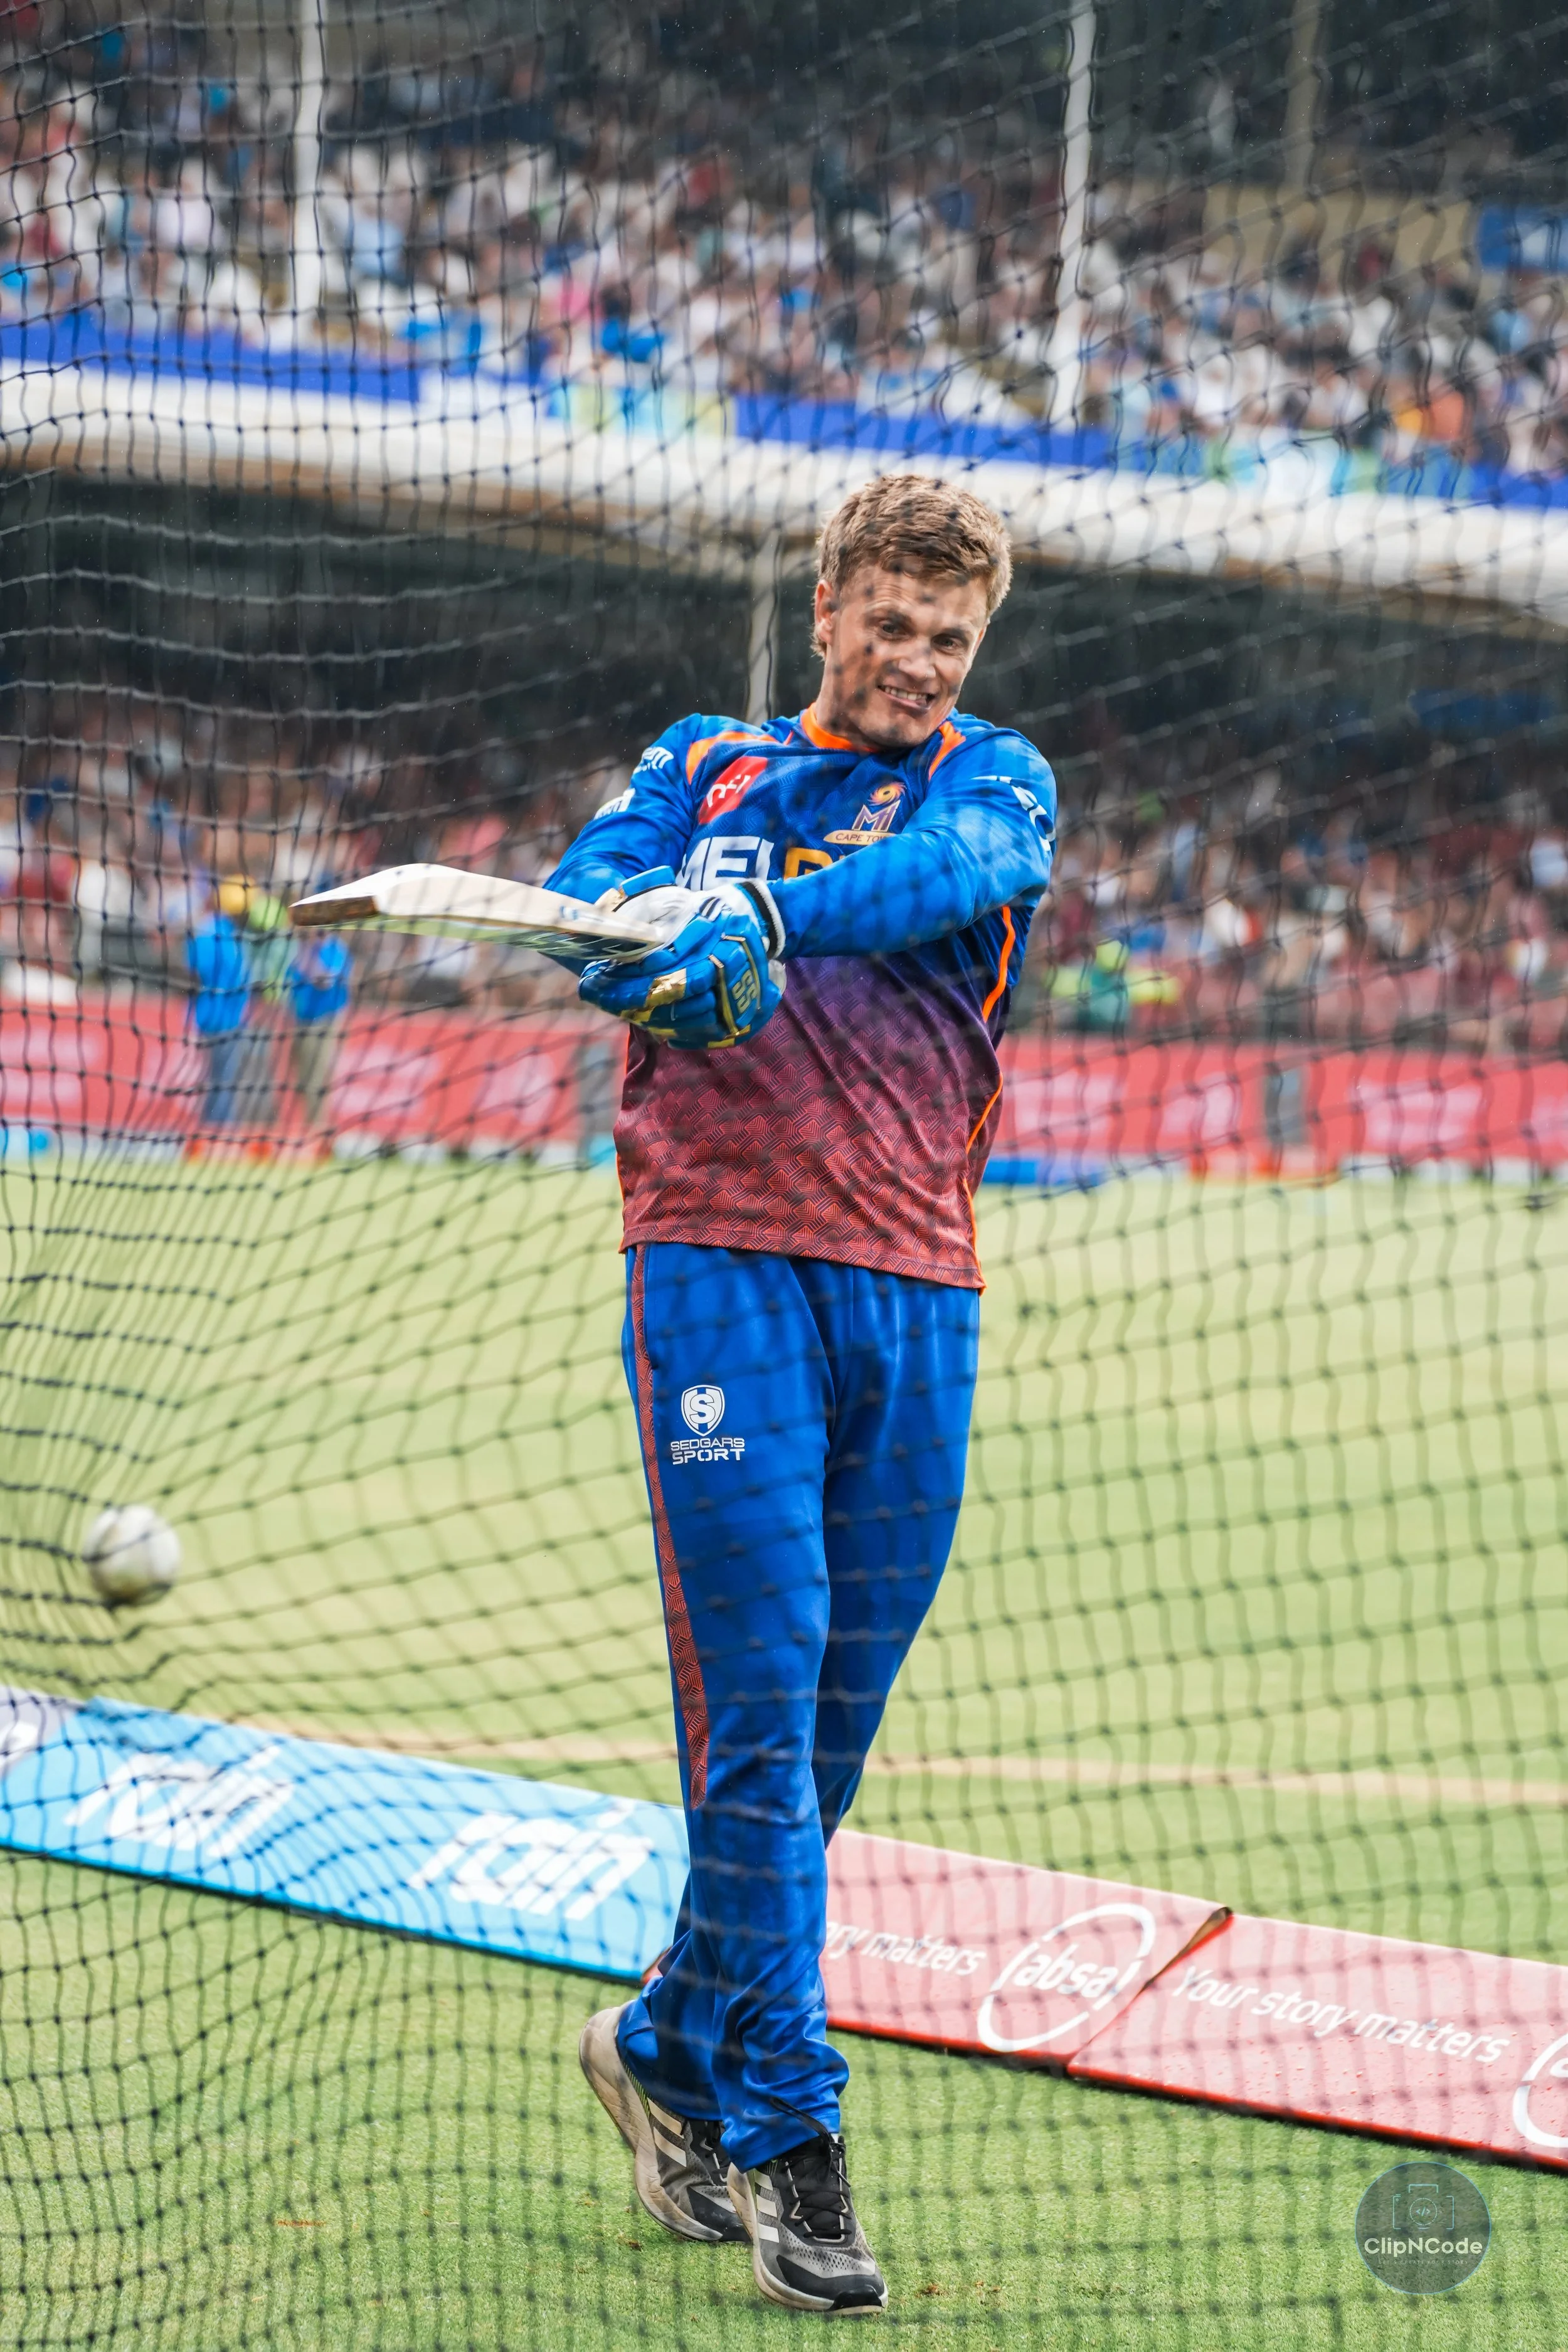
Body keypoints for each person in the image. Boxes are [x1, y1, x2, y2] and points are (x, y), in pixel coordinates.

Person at [546, 474, 1056, 2316]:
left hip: (920, 1292)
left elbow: (963, 875)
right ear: (826, 603)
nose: (915, 659)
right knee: (755, 1731)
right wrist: (658, 947)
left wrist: (775, 916)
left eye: (947, 633)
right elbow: (580, 906)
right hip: (714, 1270)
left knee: (821, 1750)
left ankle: (666, 2046)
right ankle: (787, 2133)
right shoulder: (700, 762)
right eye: (889, 621)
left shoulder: (993, 777)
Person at [185, 877, 252, 1127]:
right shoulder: (214, 930)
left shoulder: (217, 930)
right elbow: (197, 972)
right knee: (222, 1080)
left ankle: (215, 1130)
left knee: (219, 1079)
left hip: (220, 1016)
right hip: (220, 1017)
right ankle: (219, 1131)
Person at [285, 923, 352, 1128]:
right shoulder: (304, 949)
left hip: (325, 1020)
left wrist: (308, 958)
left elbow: (324, 980)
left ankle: (317, 1126)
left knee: (318, 1074)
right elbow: (291, 982)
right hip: (302, 1018)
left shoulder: (336, 949)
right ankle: (308, 1124)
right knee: (302, 1076)